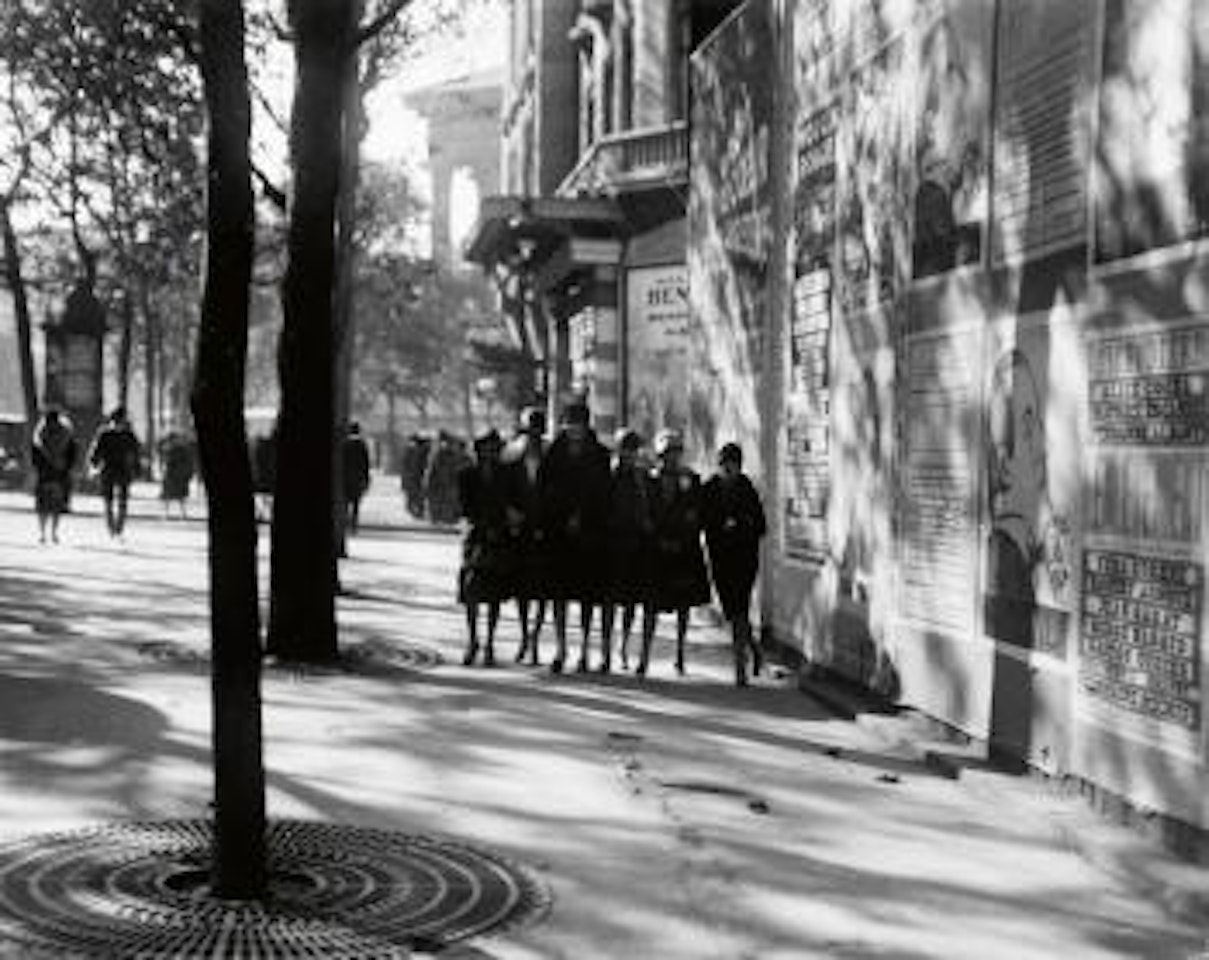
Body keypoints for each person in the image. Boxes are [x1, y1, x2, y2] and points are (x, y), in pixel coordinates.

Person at [536, 397, 611, 674]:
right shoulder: (553, 454)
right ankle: (560, 647)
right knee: (558, 595)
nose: (574, 430)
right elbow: (543, 492)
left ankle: (585, 651)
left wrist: (585, 517)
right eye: (570, 425)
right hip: (559, 534)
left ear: (586, 426)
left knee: (589, 597)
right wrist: (561, 516)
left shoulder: (600, 456)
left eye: (578, 425)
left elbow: (604, 494)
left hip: (590, 536)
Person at [639, 428, 710, 678]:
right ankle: (644, 656)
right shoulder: (649, 480)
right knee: (650, 604)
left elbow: (697, 513)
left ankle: (680, 653)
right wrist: (657, 538)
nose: (671, 458)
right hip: (656, 549)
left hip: (683, 549)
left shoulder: (691, 480)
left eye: (675, 453)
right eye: (666, 453)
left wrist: (685, 535)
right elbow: (645, 513)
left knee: (683, 605)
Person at [702, 442, 767, 686]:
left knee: (740, 607)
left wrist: (739, 525)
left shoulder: (747, 489)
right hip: (720, 559)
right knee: (732, 612)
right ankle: (754, 649)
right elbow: (702, 519)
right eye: (725, 464)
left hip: (744, 559)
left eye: (734, 465)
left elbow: (761, 525)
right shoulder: (709, 488)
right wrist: (719, 525)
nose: (729, 469)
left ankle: (740, 668)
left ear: (740, 466)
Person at [457, 429, 514, 666]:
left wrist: (503, 522)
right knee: (471, 591)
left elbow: (510, 502)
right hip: (476, 537)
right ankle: (473, 640)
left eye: (493, 448)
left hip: (499, 537)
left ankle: (490, 641)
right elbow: (464, 507)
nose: (489, 452)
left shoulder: (506, 475)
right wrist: (480, 524)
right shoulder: (467, 475)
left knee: (493, 595)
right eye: (484, 447)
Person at [602, 429, 654, 673]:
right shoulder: (608, 475)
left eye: (633, 450)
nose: (630, 455)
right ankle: (605, 650)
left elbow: (646, 508)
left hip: (635, 545)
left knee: (631, 603)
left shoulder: (641, 477)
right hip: (611, 544)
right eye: (626, 449)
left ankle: (622, 646)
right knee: (609, 601)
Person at [503, 405, 549, 664]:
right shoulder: (512, 455)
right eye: (530, 430)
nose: (533, 435)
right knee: (521, 588)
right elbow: (505, 490)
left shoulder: (551, 456)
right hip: (520, 530)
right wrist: (511, 512)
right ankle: (523, 634)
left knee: (543, 590)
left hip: (544, 529)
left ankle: (535, 636)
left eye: (537, 431)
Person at [88, 406, 141, 539]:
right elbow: (136, 453)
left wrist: (94, 463)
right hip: (120, 469)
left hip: (110, 469)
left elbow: (96, 451)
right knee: (117, 500)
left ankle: (114, 527)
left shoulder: (105, 433)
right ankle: (116, 527)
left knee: (111, 500)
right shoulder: (128, 435)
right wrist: (136, 468)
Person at [30, 408, 77, 544]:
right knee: (56, 506)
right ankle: (53, 532)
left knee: (42, 506)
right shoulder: (66, 434)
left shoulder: (39, 434)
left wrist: (38, 468)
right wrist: (66, 467)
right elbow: (72, 454)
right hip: (59, 473)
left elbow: (34, 456)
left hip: (44, 474)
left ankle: (43, 532)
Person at [343, 421, 372, 534]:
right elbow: (365, 464)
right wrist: (366, 478)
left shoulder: (344, 443)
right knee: (355, 504)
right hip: (357, 478)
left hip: (346, 477)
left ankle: (345, 523)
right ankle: (354, 525)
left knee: (345, 503)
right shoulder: (361, 444)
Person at [159, 431, 196, 519]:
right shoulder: (183, 448)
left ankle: (167, 514)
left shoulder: (169, 448)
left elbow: (167, 462)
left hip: (171, 474)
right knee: (180, 496)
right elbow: (189, 462)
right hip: (179, 475)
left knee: (169, 496)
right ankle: (182, 514)